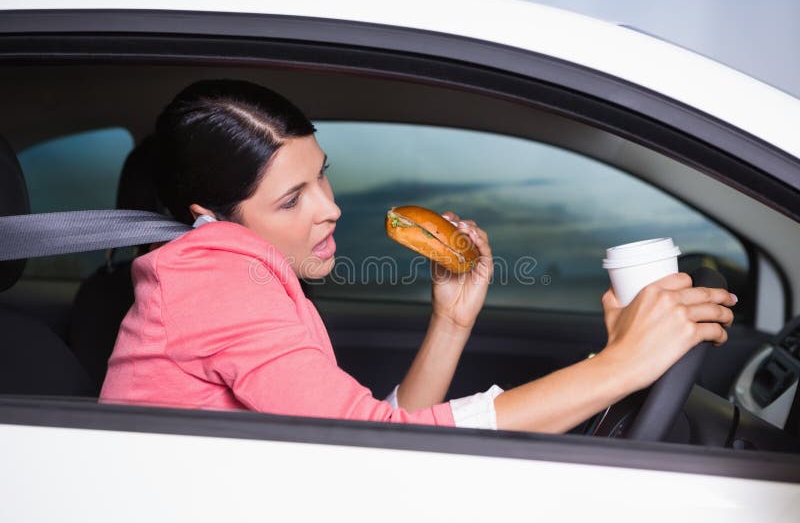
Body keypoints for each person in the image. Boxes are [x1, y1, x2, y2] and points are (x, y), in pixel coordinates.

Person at [100, 79, 736, 432]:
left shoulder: (233, 273)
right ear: (211, 220)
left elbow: (369, 435)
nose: (330, 208)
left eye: (323, 175)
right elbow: (379, 448)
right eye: (292, 199)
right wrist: (621, 367)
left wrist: (451, 320)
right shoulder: (212, 275)